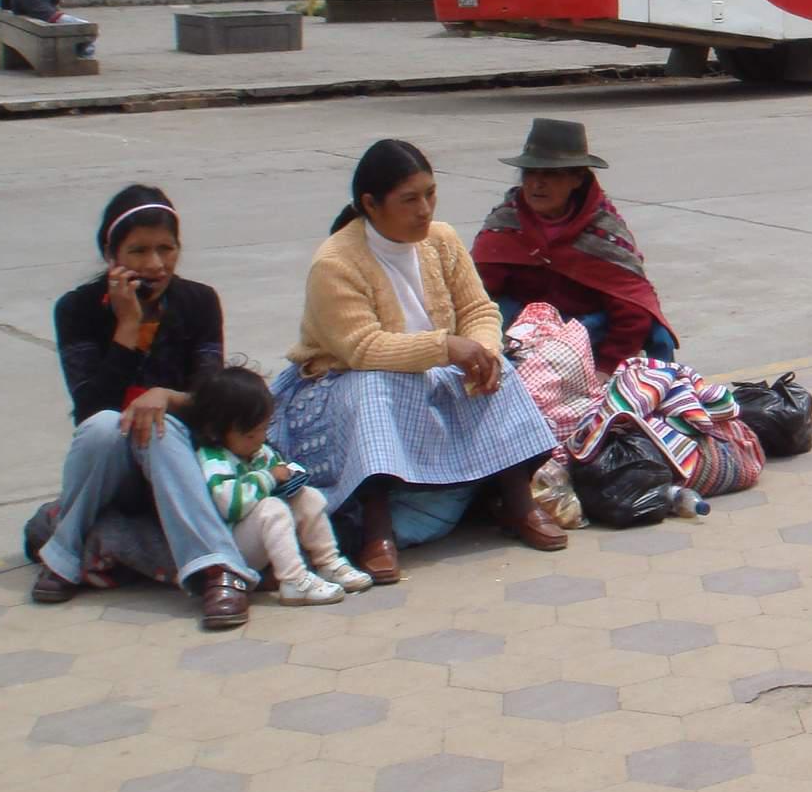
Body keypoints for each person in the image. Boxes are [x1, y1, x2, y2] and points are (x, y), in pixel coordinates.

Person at [270, 139, 565, 585]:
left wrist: (482, 351)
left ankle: (517, 504)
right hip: (344, 383)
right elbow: (362, 349)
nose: (424, 209)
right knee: (373, 387)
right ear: (370, 204)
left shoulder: (441, 240)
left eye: (430, 194)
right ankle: (376, 530)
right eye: (409, 199)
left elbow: (479, 311)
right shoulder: (334, 262)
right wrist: (448, 348)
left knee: (496, 371)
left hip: (430, 369)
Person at [33, 185, 256, 629]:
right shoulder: (76, 309)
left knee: (158, 425)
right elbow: (89, 409)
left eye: (165, 249)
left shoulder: (199, 302)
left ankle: (216, 569)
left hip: (176, 464)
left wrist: (168, 398)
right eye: (138, 251)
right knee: (104, 425)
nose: (155, 265)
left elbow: (215, 404)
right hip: (107, 463)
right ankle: (74, 551)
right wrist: (128, 327)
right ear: (110, 253)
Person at [472, 118, 678, 371]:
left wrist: (606, 369)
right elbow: (474, 293)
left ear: (578, 179)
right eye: (531, 173)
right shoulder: (505, 223)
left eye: (551, 175)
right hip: (523, 332)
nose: (537, 184)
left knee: (655, 331)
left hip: (588, 332)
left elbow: (631, 313)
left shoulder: (604, 232)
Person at [190, 366, 373, 604]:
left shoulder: (256, 450)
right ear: (216, 431)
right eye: (250, 435)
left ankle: (328, 562)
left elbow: (277, 470)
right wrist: (269, 478)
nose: (259, 440)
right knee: (272, 509)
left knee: (309, 497)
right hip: (234, 547)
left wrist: (290, 476)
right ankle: (294, 580)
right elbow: (231, 504)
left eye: (264, 430)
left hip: (261, 537)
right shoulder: (214, 459)